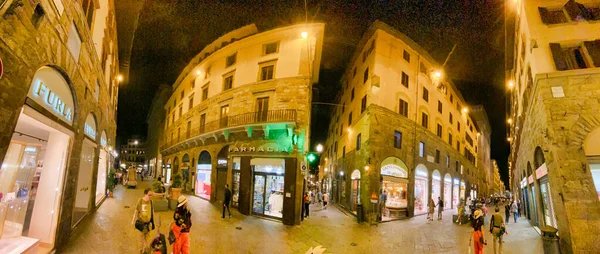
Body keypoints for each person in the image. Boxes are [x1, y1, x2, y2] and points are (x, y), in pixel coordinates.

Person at [131, 188, 155, 253]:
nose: (150, 196)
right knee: (140, 241)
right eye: (149, 195)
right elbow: (136, 211)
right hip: (141, 224)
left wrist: (153, 222)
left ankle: (146, 251)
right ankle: (141, 251)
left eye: (151, 195)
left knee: (148, 240)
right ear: (145, 194)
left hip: (148, 224)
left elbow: (152, 212)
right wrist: (133, 221)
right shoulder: (140, 201)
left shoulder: (151, 202)